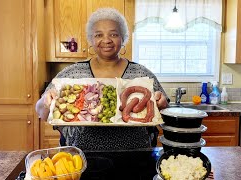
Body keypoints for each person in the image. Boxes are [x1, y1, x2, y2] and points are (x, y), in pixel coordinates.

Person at [36, 8, 169, 150]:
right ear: (91, 39)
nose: (106, 40)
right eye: (99, 35)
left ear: (123, 38)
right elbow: (41, 112)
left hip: (135, 156)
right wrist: (45, 102)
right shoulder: (72, 73)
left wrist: (163, 106)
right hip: (82, 158)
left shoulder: (142, 73)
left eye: (114, 34)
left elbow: (167, 117)